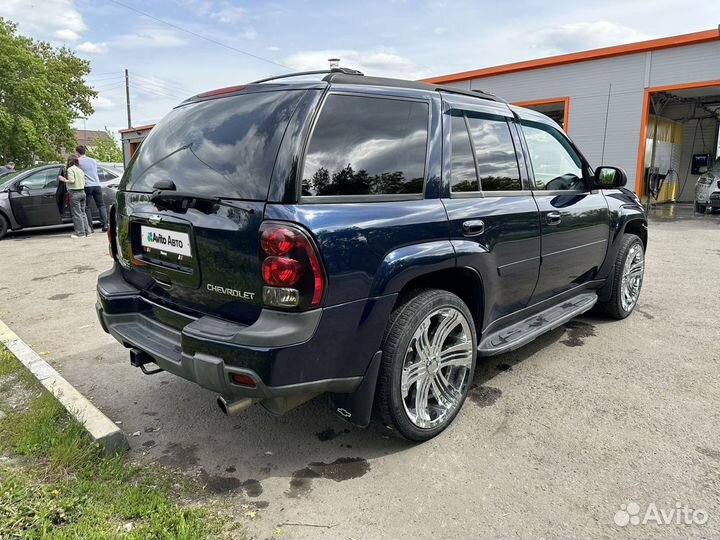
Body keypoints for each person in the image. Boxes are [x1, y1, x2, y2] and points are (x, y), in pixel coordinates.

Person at [76, 145, 107, 232]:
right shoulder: (93, 161)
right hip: (97, 185)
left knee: (87, 207)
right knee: (101, 205)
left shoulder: (78, 161)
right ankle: (105, 225)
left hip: (87, 185)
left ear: (78, 152)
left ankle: (90, 227)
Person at [59, 156, 91, 238]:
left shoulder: (70, 169)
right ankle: (87, 231)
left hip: (74, 193)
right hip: (82, 192)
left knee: (77, 214)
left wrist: (63, 179)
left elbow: (72, 181)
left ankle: (80, 233)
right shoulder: (80, 170)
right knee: (83, 212)